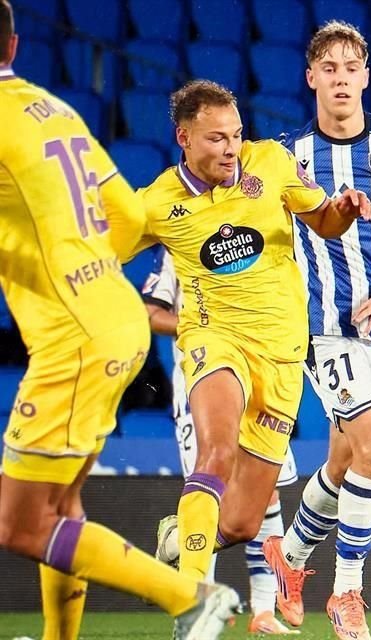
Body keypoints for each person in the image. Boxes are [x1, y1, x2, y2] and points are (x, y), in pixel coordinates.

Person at [0, 3, 239, 639]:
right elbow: (130, 220)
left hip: (75, 339)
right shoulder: (54, 112)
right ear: (15, 45)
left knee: (20, 524)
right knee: (62, 508)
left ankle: (190, 596)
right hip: (115, 318)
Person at [140, 79, 371, 597]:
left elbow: (324, 221)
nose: (230, 149)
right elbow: (100, 251)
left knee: (243, 522)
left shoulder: (270, 163)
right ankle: (191, 605)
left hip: (282, 354)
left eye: (236, 135)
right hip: (214, 339)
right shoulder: (157, 203)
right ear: (184, 137)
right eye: (216, 138)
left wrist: (346, 208)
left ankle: (181, 538)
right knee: (216, 454)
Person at [260, 22, 371, 640]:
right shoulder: (286, 158)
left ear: (365, 76)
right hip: (318, 327)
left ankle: (293, 565)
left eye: (349, 66)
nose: (339, 77)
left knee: (344, 460)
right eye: (327, 67)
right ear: (312, 77)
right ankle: (347, 593)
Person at [142, 247, 300, 635]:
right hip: (203, 378)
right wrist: (203, 326)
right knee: (208, 489)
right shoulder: (178, 241)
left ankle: (263, 609)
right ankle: (194, 607)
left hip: (260, 375)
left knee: (267, 495)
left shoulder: (255, 234)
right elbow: (150, 313)